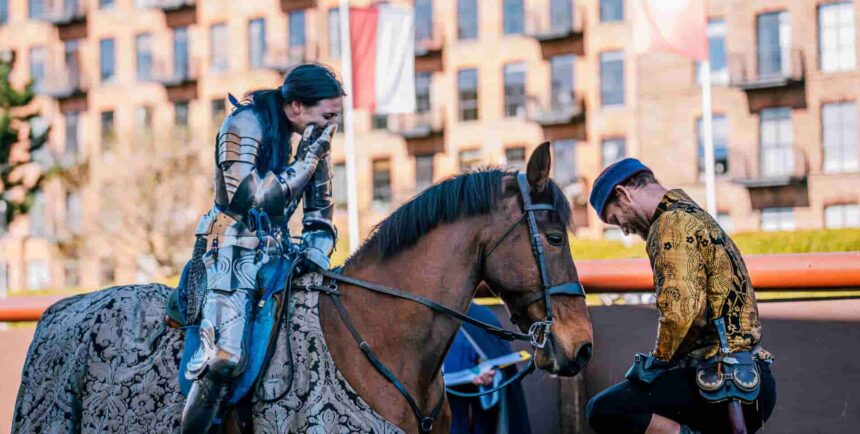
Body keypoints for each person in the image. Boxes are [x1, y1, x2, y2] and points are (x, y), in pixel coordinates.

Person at [181, 64, 345, 433]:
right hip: (228, 251)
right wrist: (308, 159)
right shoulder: (242, 126)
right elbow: (251, 201)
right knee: (223, 359)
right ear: (298, 106)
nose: (333, 125)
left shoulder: (315, 140)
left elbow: (321, 216)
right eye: (328, 114)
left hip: (282, 255)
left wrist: (315, 255)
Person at [584, 159, 776, 434]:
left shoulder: (670, 223)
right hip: (747, 378)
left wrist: (654, 364)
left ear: (623, 193)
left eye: (616, 219)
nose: (625, 229)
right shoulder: (691, 214)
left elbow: (683, 313)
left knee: (607, 409)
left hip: (721, 383)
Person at [444, 303, 531, 434]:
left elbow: (499, 362)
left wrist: (491, 376)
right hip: (443, 401)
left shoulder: (482, 315)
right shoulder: (428, 316)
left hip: (481, 400)